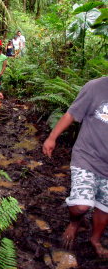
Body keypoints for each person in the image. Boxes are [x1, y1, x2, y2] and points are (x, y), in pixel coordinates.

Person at [43, 77, 108, 257]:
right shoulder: (95, 87)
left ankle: (94, 239)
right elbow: (71, 113)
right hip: (87, 156)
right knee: (80, 206)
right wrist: (52, 137)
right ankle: (75, 222)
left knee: (104, 207)